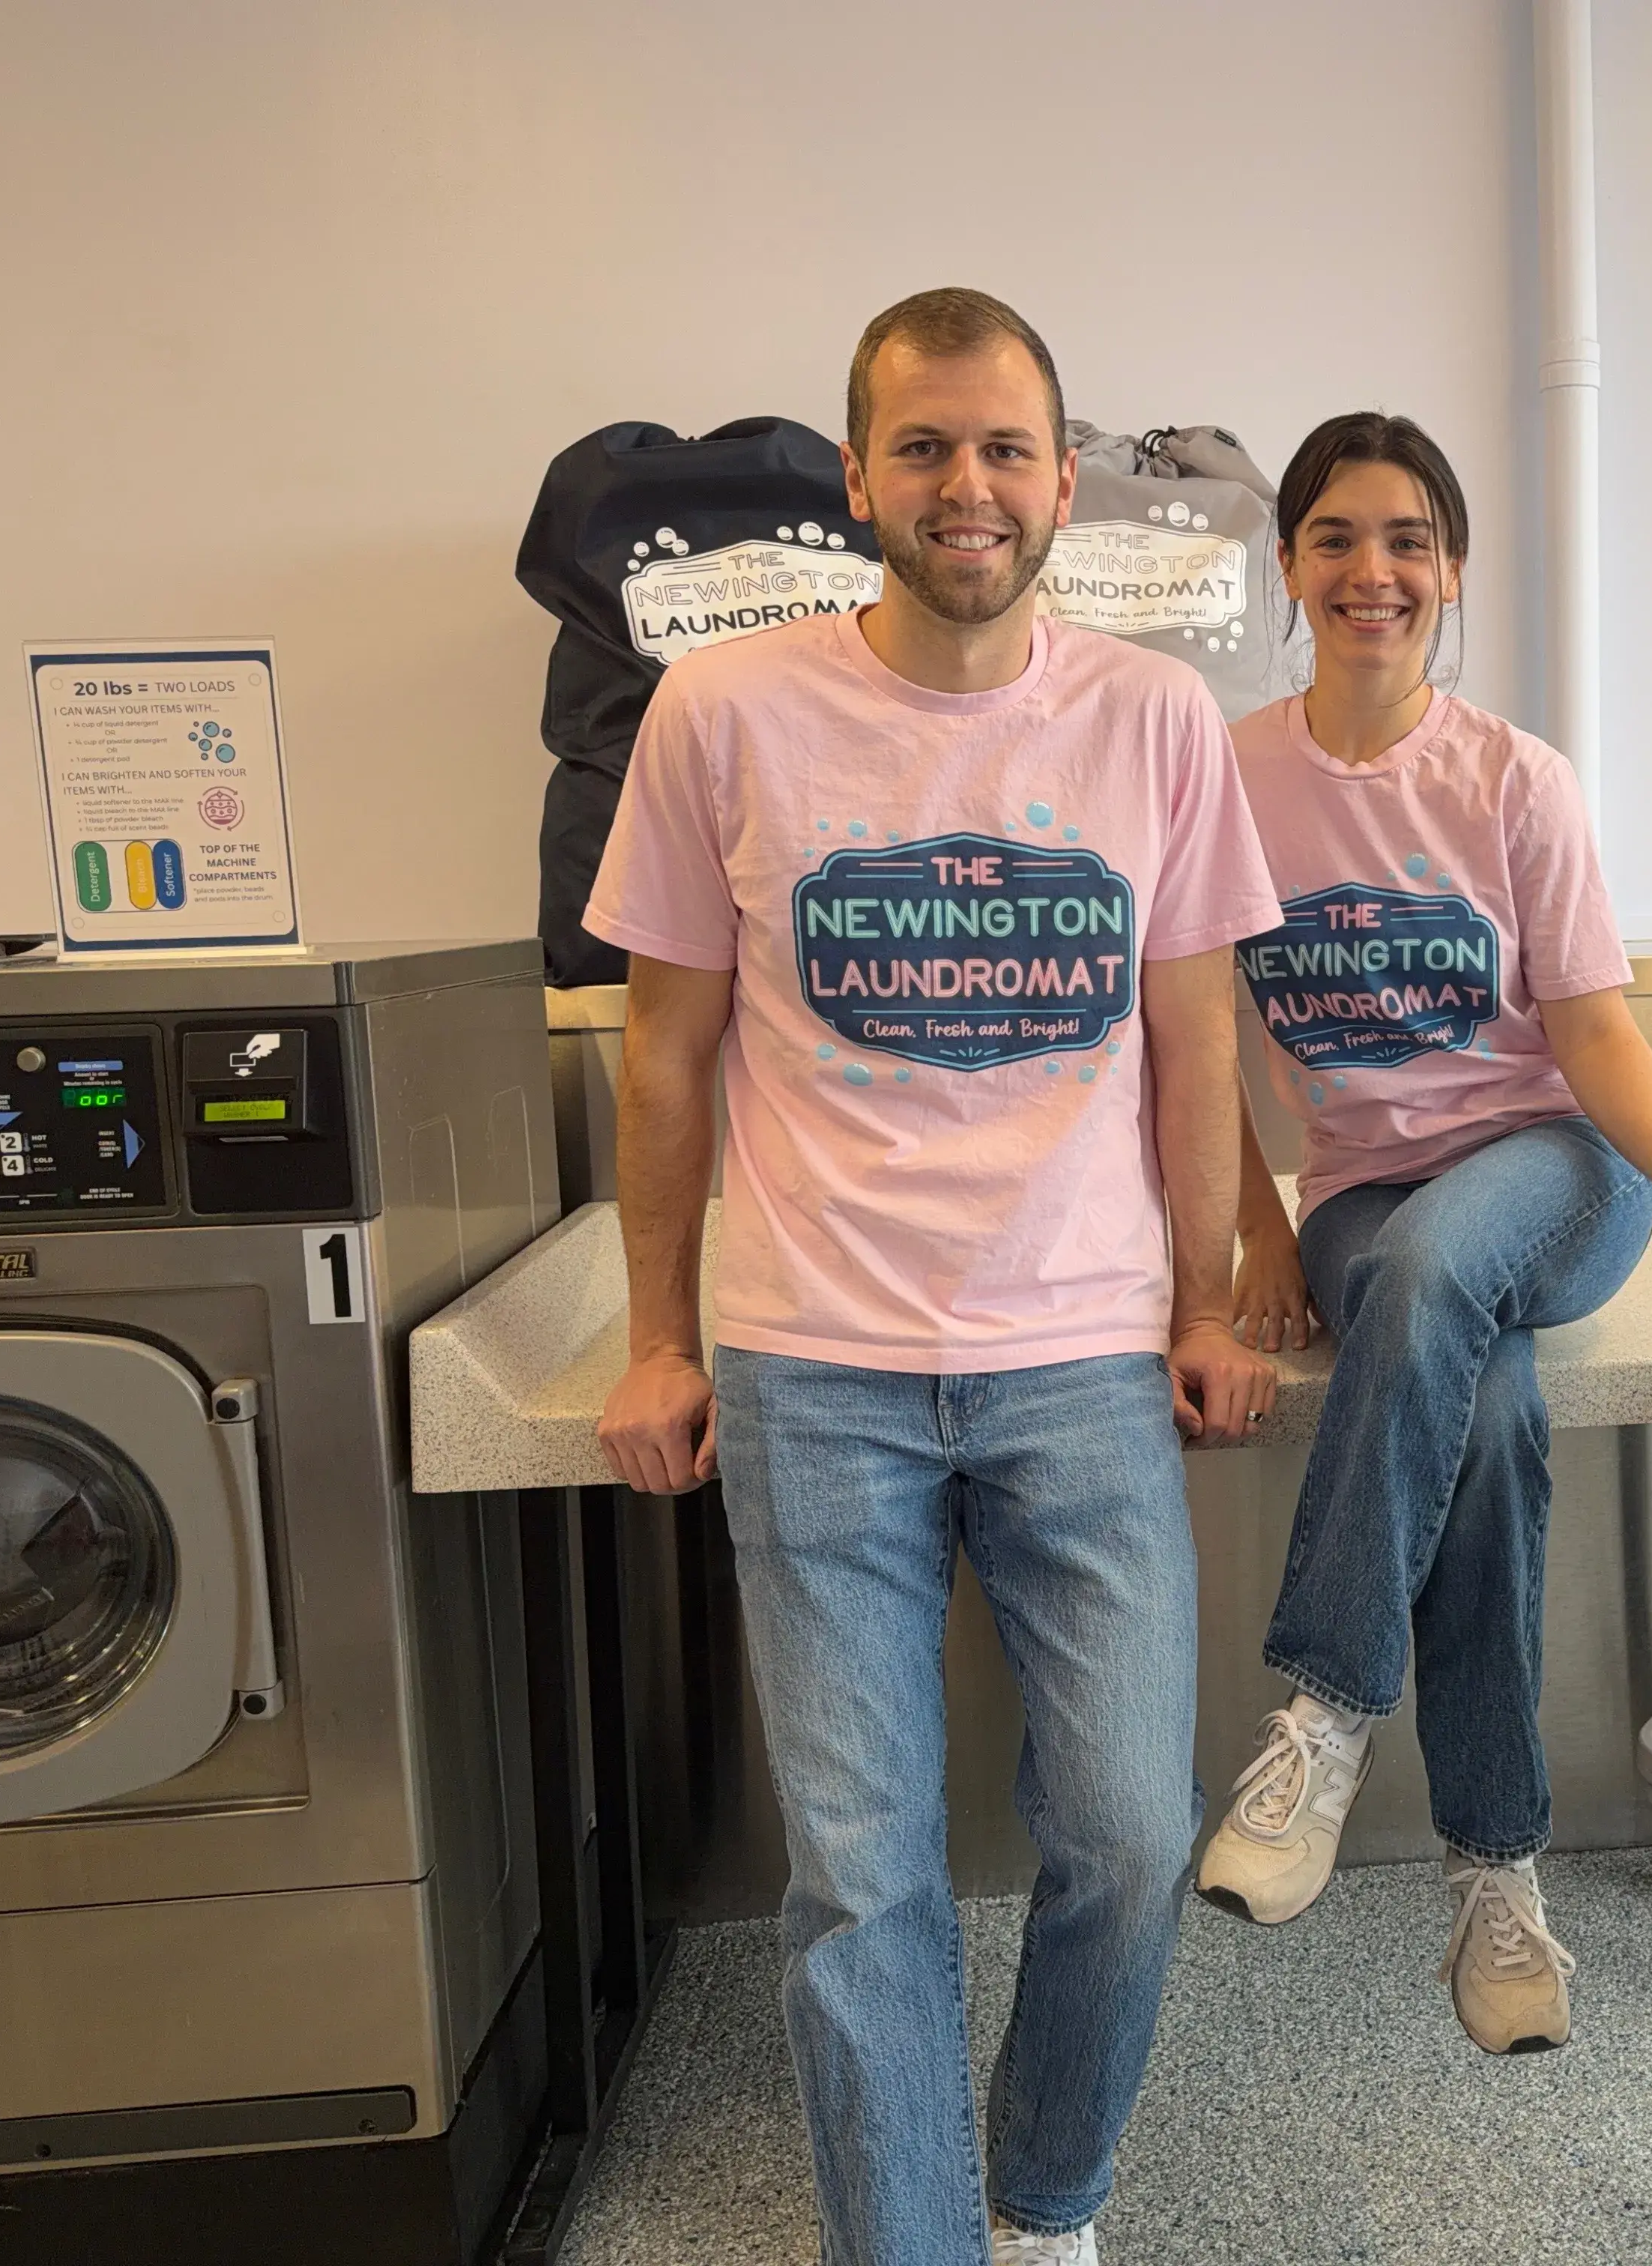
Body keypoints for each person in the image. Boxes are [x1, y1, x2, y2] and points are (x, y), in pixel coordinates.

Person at [588, 286, 1280, 2266]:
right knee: (863, 1877)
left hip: (1080, 1363)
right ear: (855, 481)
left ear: (1062, 481)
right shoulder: (725, 719)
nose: (965, 486)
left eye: (1001, 450)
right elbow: (664, 1052)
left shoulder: (1150, 719)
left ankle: (1041, 2201)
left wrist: (1208, 1301)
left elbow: (1199, 1039)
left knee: (1135, 1835)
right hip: (816, 1371)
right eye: (923, 448)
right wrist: (655, 1339)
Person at [1196, 412, 1652, 2054]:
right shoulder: (1232, 777)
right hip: (1366, 1208)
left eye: (1406, 541)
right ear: (1292, 568)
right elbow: (1189, 1037)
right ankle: (1497, 1877)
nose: (1371, 571)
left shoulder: (1514, 779)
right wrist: (1254, 1233)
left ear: (1450, 573)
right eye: (1336, 538)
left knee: (1441, 1268)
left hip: (1561, 1171)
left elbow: (1593, 1032)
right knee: (1490, 1402)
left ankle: (1325, 1715)